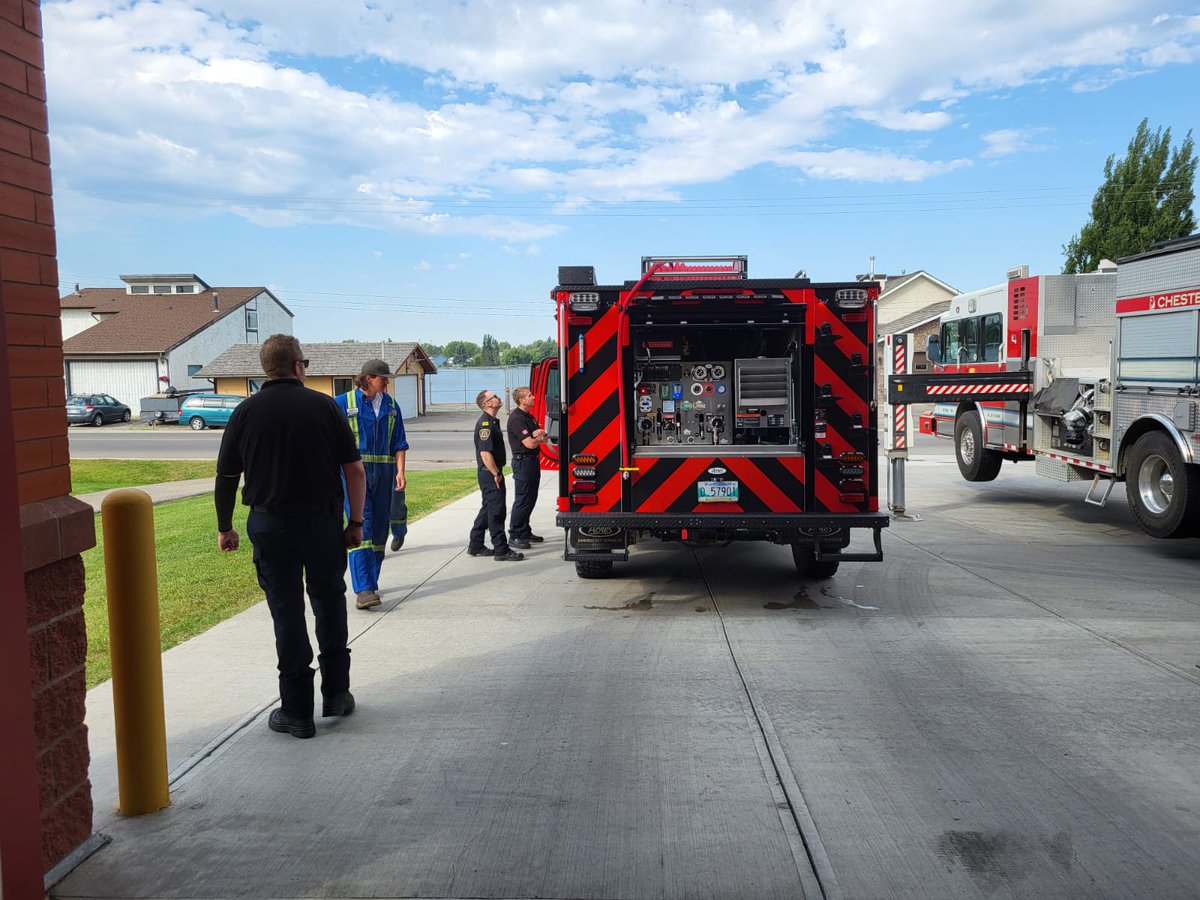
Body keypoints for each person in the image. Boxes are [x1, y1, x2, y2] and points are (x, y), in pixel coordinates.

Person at [214, 334, 366, 740]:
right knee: (329, 600)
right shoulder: (325, 407)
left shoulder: (244, 412)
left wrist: (224, 526)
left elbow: (227, 476)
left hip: (270, 524)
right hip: (321, 524)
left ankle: (297, 712)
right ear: (299, 366)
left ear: (267, 369)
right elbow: (355, 470)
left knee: (286, 612)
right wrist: (356, 522)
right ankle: (336, 694)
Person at [335, 359, 409, 610]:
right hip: (355, 473)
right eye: (382, 377)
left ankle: (371, 584)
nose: (386, 381)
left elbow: (399, 442)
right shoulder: (343, 403)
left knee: (379, 532)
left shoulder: (391, 405)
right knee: (362, 528)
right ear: (367, 378)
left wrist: (400, 472)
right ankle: (363, 589)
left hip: (386, 473)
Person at [467, 389, 524, 561]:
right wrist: (496, 473)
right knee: (496, 511)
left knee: (487, 509)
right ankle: (501, 549)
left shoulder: (492, 422)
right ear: (487, 404)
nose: (499, 398)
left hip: (490, 473)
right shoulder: (485, 424)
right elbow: (485, 454)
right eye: (495, 397)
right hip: (490, 473)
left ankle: (475, 544)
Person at [506, 385, 549, 549]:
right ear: (521, 400)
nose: (533, 397)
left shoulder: (529, 417)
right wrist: (537, 436)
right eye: (530, 395)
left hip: (531, 461)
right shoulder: (517, 418)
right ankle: (515, 534)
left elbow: (543, 438)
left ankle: (525, 530)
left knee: (531, 497)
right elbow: (530, 443)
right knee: (523, 498)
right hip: (522, 461)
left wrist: (540, 434)